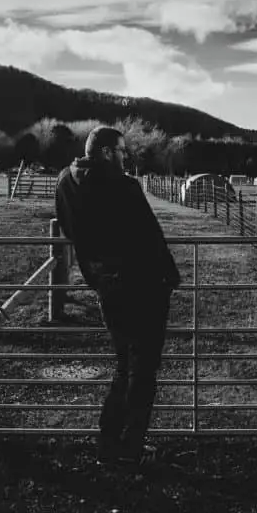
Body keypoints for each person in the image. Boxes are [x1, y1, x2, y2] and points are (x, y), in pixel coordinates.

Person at [55, 126, 181, 465]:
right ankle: (130, 448)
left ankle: (110, 444)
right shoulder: (124, 186)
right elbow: (148, 236)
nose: (126, 157)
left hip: (106, 284)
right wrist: (169, 277)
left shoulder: (66, 183)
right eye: (123, 151)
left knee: (125, 365)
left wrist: (96, 272)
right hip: (142, 287)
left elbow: (70, 230)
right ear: (108, 152)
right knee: (143, 370)